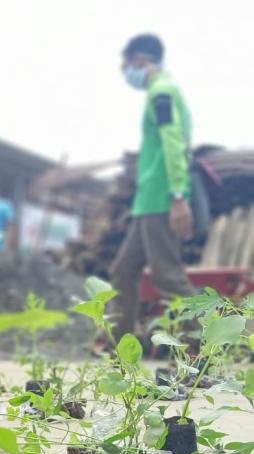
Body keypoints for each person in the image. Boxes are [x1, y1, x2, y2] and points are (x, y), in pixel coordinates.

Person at [110, 34, 194, 341]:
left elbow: (173, 142)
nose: (125, 73)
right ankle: (122, 348)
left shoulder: (162, 91)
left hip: (161, 197)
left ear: (141, 61)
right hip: (147, 201)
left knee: (168, 277)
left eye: (126, 65)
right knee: (123, 271)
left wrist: (177, 195)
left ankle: (206, 350)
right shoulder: (158, 93)